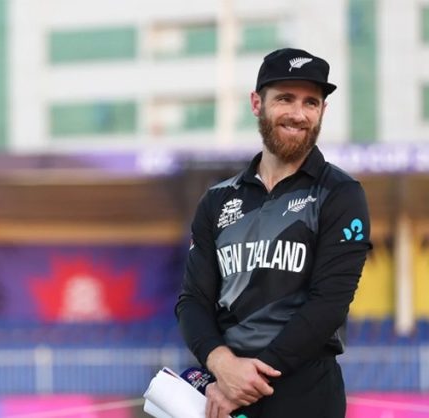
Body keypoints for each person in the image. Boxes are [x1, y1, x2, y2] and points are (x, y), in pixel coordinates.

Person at [175, 48, 372, 418]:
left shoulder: (340, 194)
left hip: (305, 394)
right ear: (256, 103)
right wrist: (222, 365)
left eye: (311, 102)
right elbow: (193, 302)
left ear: (322, 112)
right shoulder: (217, 200)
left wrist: (245, 382)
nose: (298, 114)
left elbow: (328, 304)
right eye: (285, 98)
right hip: (222, 389)